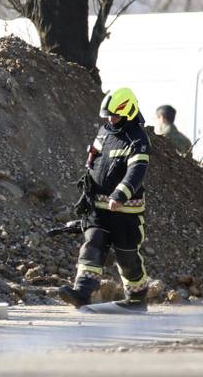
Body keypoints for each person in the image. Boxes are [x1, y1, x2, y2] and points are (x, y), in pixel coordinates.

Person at [58, 87, 151, 311]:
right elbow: (95, 162)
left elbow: (137, 170)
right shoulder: (104, 132)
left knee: (126, 255)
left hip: (125, 212)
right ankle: (82, 292)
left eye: (115, 116)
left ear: (128, 112)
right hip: (98, 209)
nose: (111, 120)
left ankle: (137, 297)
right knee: (92, 245)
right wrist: (87, 193)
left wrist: (120, 194)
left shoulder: (138, 138)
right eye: (108, 116)